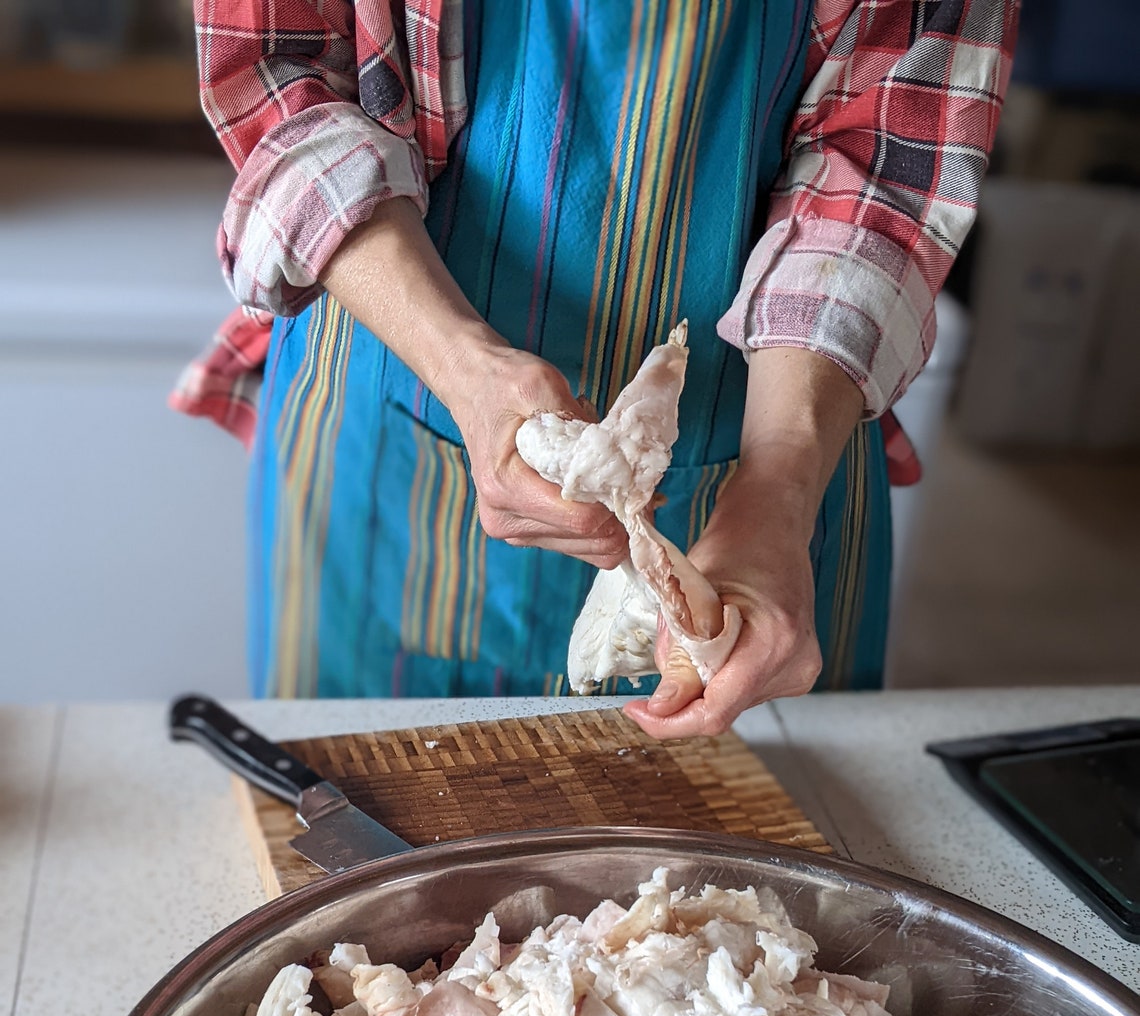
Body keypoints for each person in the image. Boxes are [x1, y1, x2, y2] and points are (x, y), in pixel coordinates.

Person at [175, 0, 1019, 737]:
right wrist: (466, 368)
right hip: (396, 390)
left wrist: (778, 493)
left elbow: (877, 174)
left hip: (779, 422)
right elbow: (281, 75)